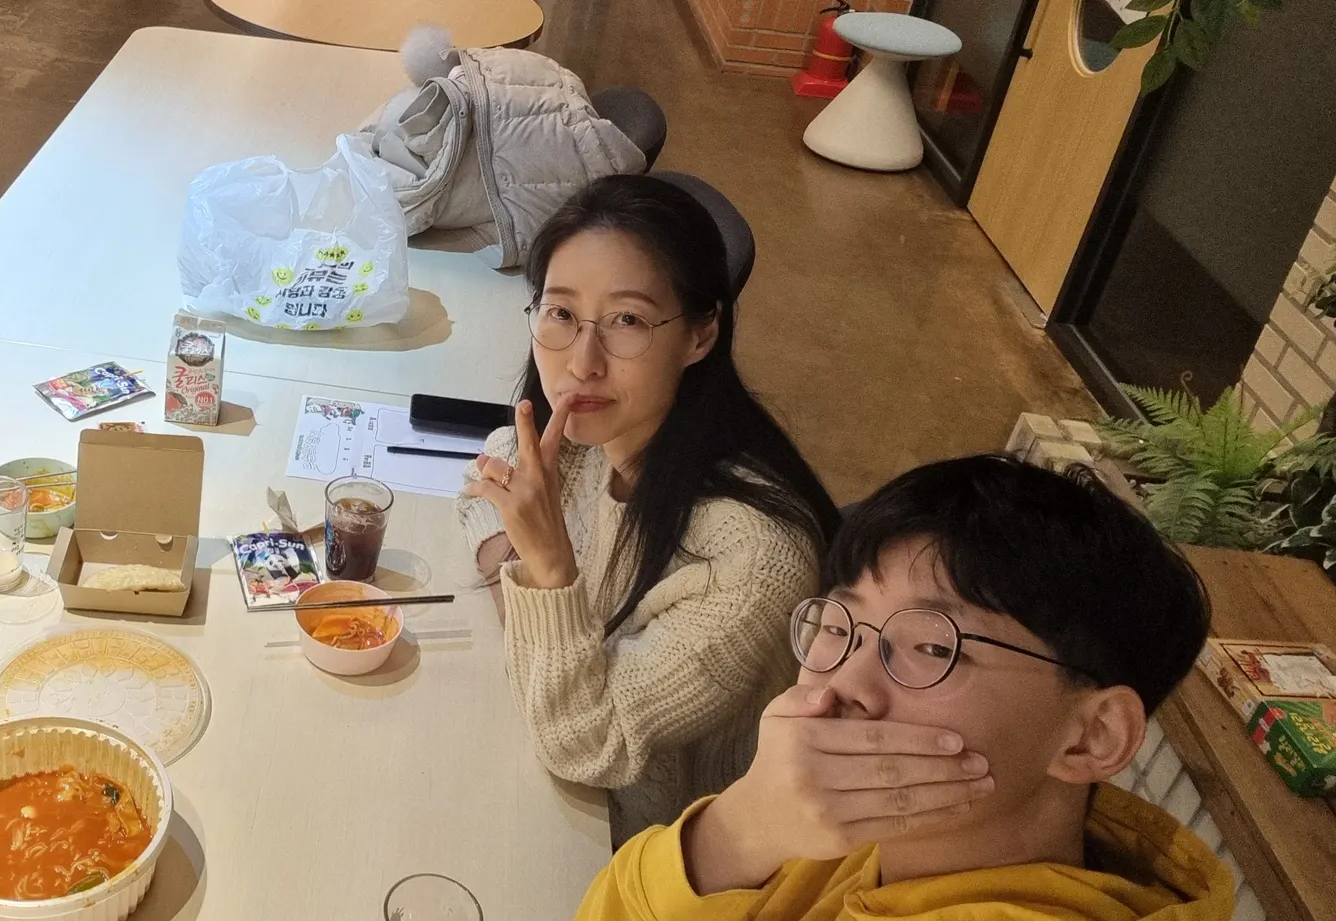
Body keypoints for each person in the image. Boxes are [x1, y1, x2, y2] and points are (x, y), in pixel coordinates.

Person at [573, 455, 1230, 920]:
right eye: (840, 624)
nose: (845, 682)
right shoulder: (838, 830)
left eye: (933, 646)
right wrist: (733, 834)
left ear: (1093, 735)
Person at [456, 174, 840, 841]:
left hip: (643, 845)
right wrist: (511, 584)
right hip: (550, 788)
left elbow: (585, 743)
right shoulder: (596, 437)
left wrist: (547, 568)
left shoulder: (752, 561)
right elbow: (495, 461)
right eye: (561, 313)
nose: (583, 363)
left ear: (701, 333)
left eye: (628, 320)